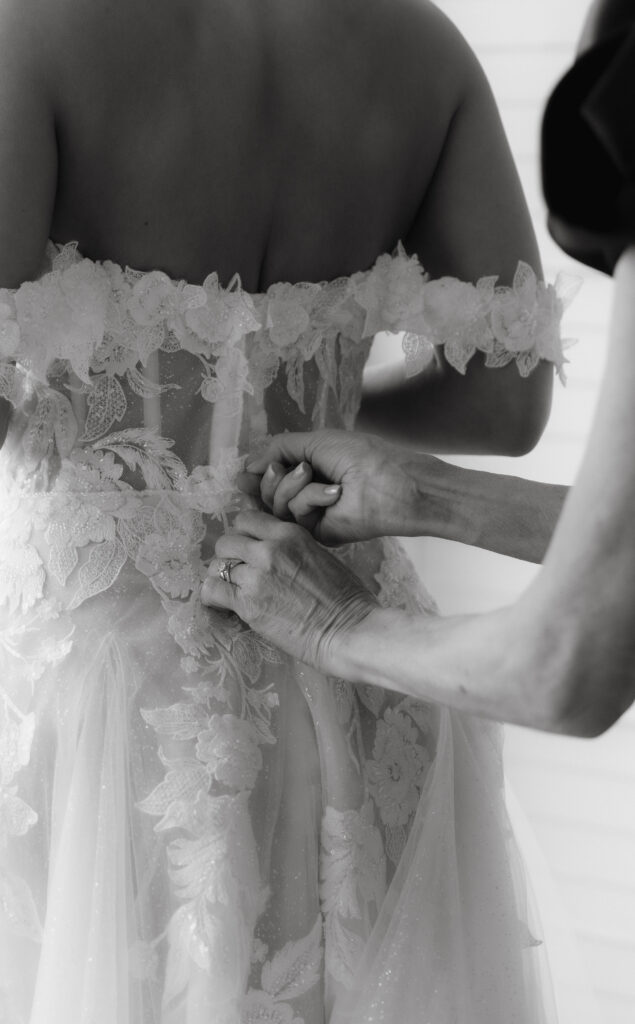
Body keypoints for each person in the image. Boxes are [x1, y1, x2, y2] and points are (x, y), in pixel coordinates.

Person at [0, 0, 568, 1021]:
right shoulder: (419, 45)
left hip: (95, 688)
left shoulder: (21, 26)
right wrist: (305, 408)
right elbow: (507, 402)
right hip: (356, 664)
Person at [201, 2, 635, 741]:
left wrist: (343, 623)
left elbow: (567, 667)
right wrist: (424, 493)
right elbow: (504, 403)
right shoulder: (423, 47)